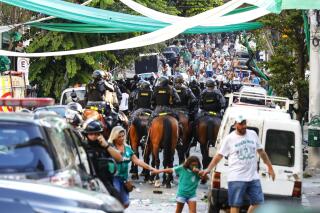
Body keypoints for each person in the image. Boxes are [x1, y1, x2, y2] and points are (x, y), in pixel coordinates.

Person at [200, 115, 275, 213]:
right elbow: (219, 156)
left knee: (258, 201)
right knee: (235, 204)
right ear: (235, 125)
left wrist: (270, 167)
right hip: (236, 177)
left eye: (244, 123)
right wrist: (208, 169)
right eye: (241, 124)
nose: (243, 126)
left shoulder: (252, 134)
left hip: (253, 177)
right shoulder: (229, 139)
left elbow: (261, 152)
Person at [109, 126, 157, 208]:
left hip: (124, 179)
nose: (121, 138)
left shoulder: (127, 148)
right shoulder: (110, 148)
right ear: (114, 137)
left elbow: (137, 161)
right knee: (115, 201)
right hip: (113, 178)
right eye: (119, 136)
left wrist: (150, 168)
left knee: (125, 203)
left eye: (123, 136)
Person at [81, 119, 123, 202]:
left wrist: (106, 146)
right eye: (91, 134)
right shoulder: (83, 147)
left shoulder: (106, 146)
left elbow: (119, 158)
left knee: (118, 200)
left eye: (96, 134)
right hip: (88, 182)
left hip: (105, 182)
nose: (93, 136)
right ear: (86, 135)